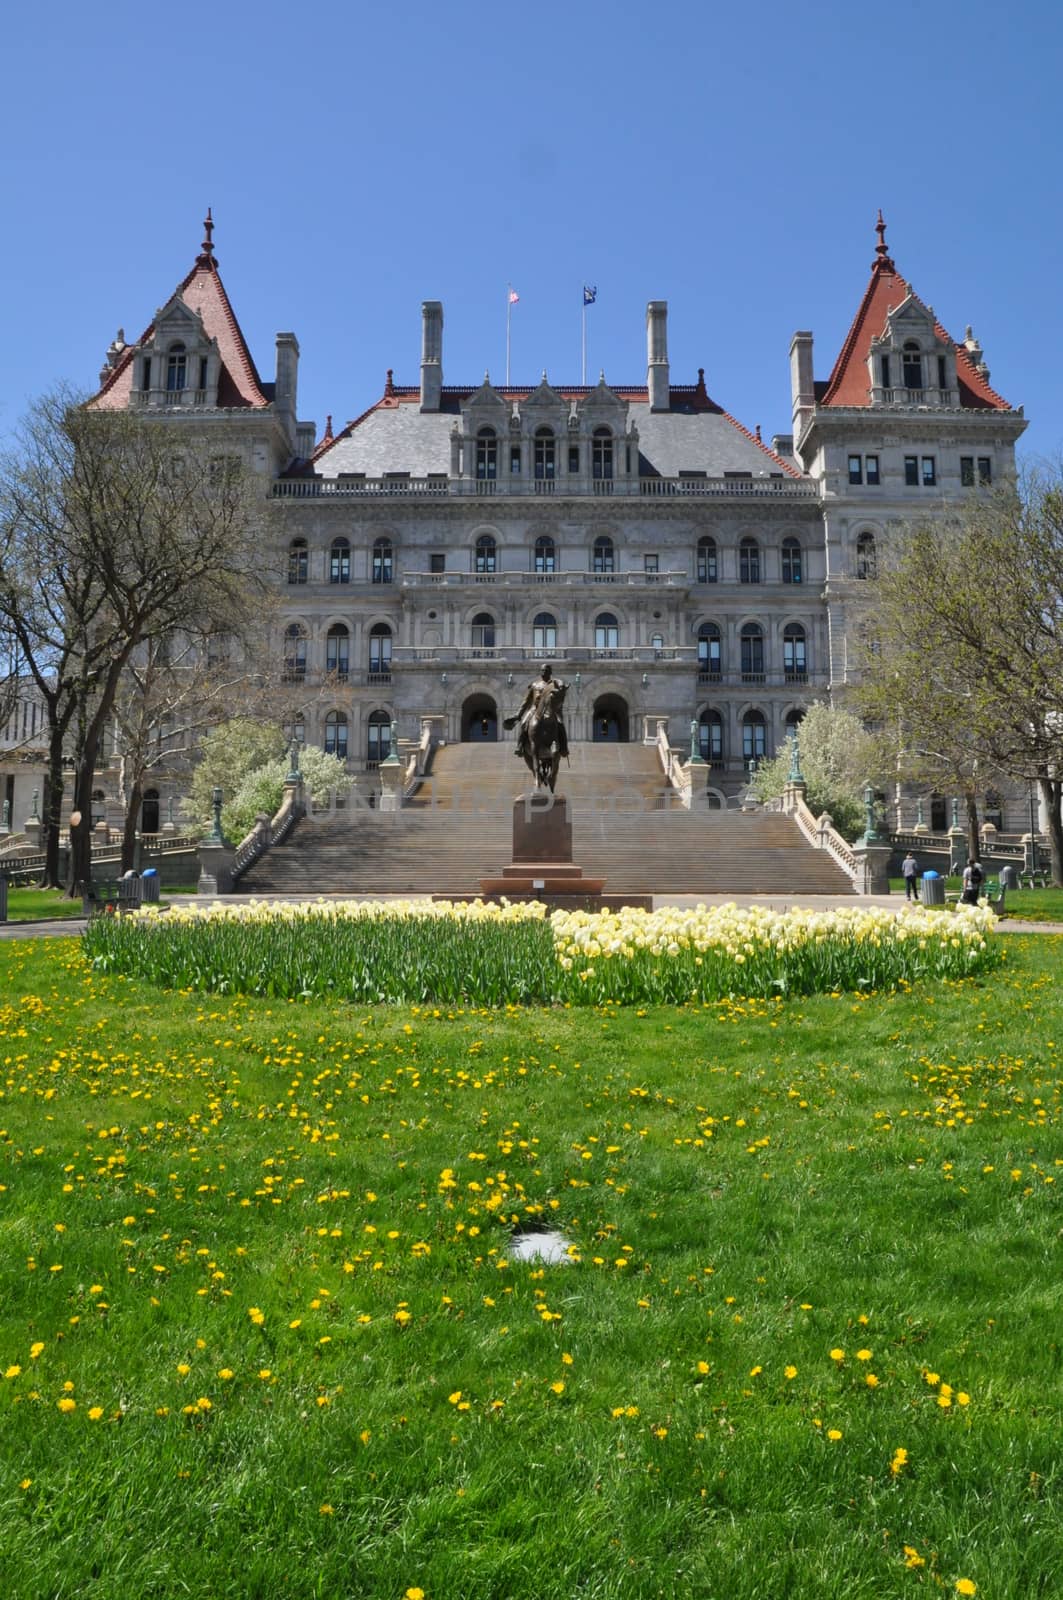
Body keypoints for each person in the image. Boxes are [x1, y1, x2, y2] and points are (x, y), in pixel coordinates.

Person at [504, 663, 569, 762]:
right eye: (542, 670)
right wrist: (518, 714)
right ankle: (520, 746)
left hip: (551, 710)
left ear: (550, 672)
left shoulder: (554, 684)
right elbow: (526, 702)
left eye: (546, 670)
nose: (544, 672)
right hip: (534, 709)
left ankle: (564, 748)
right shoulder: (534, 685)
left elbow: (561, 686)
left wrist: (561, 686)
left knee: (560, 724)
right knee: (524, 723)